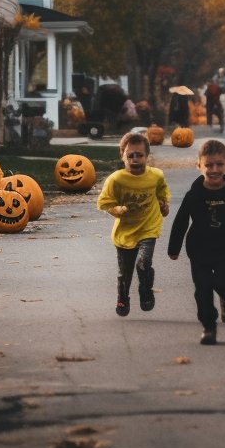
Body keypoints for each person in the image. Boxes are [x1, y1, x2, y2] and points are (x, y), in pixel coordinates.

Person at [167, 139, 225, 345]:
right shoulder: (194, 194)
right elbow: (181, 220)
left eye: (219, 164)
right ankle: (208, 326)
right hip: (198, 248)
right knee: (203, 288)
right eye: (208, 165)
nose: (214, 169)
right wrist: (174, 248)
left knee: (222, 282)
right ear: (199, 166)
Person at [96, 131, 171, 317]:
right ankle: (123, 297)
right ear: (122, 156)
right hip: (125, 232)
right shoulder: (116, 179)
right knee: (125, 272)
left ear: (147, 156)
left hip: (148, 227)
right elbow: (104, 202)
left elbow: (162, 193)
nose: (135, 159)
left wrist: (164, 205)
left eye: (139, 155)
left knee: (143, 263)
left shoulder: (156, 176)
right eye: (130, 156)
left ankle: (145, 290)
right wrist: (117, 210)